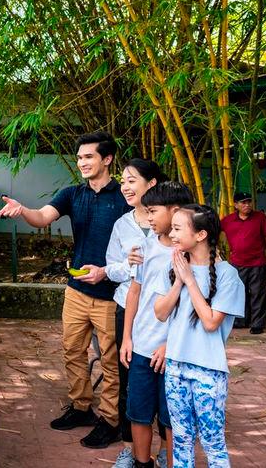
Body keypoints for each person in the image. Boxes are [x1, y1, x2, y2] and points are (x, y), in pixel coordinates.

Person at [0, 131, 130, 448]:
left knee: (110, 361)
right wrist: (23, 209)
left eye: (89, 157)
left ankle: (110, 420)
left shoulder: (125, 197)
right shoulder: (72, 194)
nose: (82, 162)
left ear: (107, 159)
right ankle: (82, 406)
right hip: (76, 290)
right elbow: (42, 218)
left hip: (113, 294)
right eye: (80, 157)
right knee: (73, 351)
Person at [154, 205, 245, 467]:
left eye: (177, 228)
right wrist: (179, 281)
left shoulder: (228, 275)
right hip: (175, 366)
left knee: (213, 442)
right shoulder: (174, 267)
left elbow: (210, 322)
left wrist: (190, 280)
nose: (171, 234)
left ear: (201, 234)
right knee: (181, 441)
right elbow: (160, 313)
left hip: (209, 371)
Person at [120, 182, 193, 468]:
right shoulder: (146, 246)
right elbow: (135, 291)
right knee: (138, 412)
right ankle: (141, 462)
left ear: (175, 211)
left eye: (152, 211)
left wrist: (170, 344)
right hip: (141, 346)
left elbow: (191, 309)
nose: (148, 218)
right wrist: (127, 337)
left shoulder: (189, 253)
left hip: (174, 352)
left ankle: (169, 459)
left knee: (171, 416)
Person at [102, 161, 168, 467]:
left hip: (164, 317)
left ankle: (169, 449)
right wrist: (129, 264)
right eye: (123, 182)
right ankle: (131, 450)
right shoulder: (121, 225)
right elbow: (111, 269)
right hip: (128, 310)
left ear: (151, 184)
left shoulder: (176, 223)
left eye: (132, 181)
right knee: (129, 380)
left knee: (169, 384)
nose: (125, 187)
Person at [220, 192, 266, 334]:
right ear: (235, 204)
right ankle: (240, 320)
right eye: (243, 202)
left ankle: (258, 324)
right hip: (236, 262)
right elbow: (213, 232)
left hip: (257, 262)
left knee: (258, 293)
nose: (247, 205)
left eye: (249, 202)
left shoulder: (260, 217)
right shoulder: (227, 220)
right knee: (238, 292)